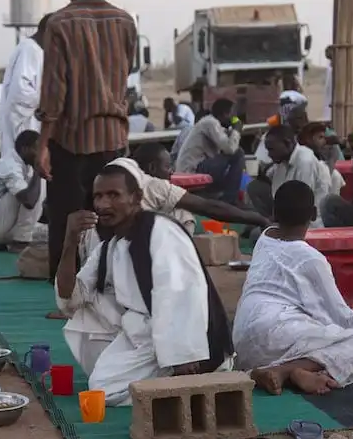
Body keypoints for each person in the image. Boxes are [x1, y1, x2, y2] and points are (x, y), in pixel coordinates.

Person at [54, 167, 234, 406]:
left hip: (187, 345)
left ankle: (183, 383)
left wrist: (182, 357)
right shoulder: (111, 246)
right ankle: (157, 381)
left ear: (136, 198)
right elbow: (71, 298)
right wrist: (70, 241)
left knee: (105, 389)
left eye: (113, 195)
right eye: (98, 196)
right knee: (88, 317)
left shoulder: (160, 231)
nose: (103, 204)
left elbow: (180, 293)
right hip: (142, 334)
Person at [233, 181, 353, 395]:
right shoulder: (311, 258)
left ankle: (291, 371)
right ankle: (285, 371)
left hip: (243, 341)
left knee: (320, 327)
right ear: (313, 214)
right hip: (274, 335)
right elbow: (342, 316)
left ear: (274, 213)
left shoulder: (265, 238)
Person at [36, 0, 137, 280]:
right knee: (113, 218)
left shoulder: (60, 23)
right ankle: (115, 285)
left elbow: (55, 91)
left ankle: (65, 294)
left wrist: (43, 146)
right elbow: (126, 72)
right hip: (113, 137)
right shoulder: (125, 21)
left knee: (67, 221)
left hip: (72, 139)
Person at [120, 144, 268, 234]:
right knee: (183, 213)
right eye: (167, 166)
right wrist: (260, 220)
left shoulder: (122, 172)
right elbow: (209, 207)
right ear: (152, 167)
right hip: (137, 245)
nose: (171, 171)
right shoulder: (155, 185)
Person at [0, 130, 44, 251]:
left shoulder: (21, 163)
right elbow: (29, 202)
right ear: (25, 149)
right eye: (38, 149)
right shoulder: (10, 166)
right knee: (37, 184)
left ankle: (0, 243)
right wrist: (39, 170)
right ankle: (21, 241)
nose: (41, 154)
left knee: (46, 233)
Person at [246, 125, 332, 224]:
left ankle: (272, 224)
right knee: (254, 187)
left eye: (271, 149)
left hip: (305, 221)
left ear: (288, 143)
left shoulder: (305, 161)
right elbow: (267, 177)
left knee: (255, 234)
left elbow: (301, 203)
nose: (269, 155)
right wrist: (262, 171)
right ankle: (269, 222)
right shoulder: (282, 159)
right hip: (288, 211)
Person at [173, 97, 246, 203]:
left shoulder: (213, 124)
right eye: (232, 114)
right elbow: (230, 149)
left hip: (194, 167)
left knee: (233, 161)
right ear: (225, 114)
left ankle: (223, 195)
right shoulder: (210, 123)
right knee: (238, 154)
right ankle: (230, 199)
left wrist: (232, 132)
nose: (234, 117)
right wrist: (236, 130)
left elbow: (225, 144)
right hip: (192, 170)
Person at [0, 14, 48, 166]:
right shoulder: (30, 50)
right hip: (23, 125)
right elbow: (20, 93)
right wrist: (45, 104)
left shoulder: (33, 49)